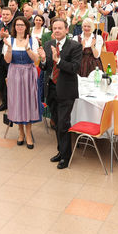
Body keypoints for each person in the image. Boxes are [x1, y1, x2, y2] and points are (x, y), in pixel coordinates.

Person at [39, 18, 82, 168]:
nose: (57, 30)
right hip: (51, 88)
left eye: (60, 28)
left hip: (66, 90)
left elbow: (74, 68)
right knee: (56, 123)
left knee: (64, 123)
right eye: (54, 28)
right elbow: (45, 68)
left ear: (66, 30)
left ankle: (66, 156)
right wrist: (44, 60)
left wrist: (58, 60)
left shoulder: (75, 46)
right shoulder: (48, 44)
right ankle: (61, 151)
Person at [3, 16, 41, 148]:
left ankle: (29, 133)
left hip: (29, 73)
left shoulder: (32, 40)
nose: (19, 27)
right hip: (14, 73)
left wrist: (27, 48)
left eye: (22, 25)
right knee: (17, 102)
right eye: (17, 25)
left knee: (28, 102)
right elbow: (7, 61)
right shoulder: (9, 40)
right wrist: (8, 48)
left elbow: (36, 59)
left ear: (26, 27)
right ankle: (20, 132)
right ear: (14, 27)